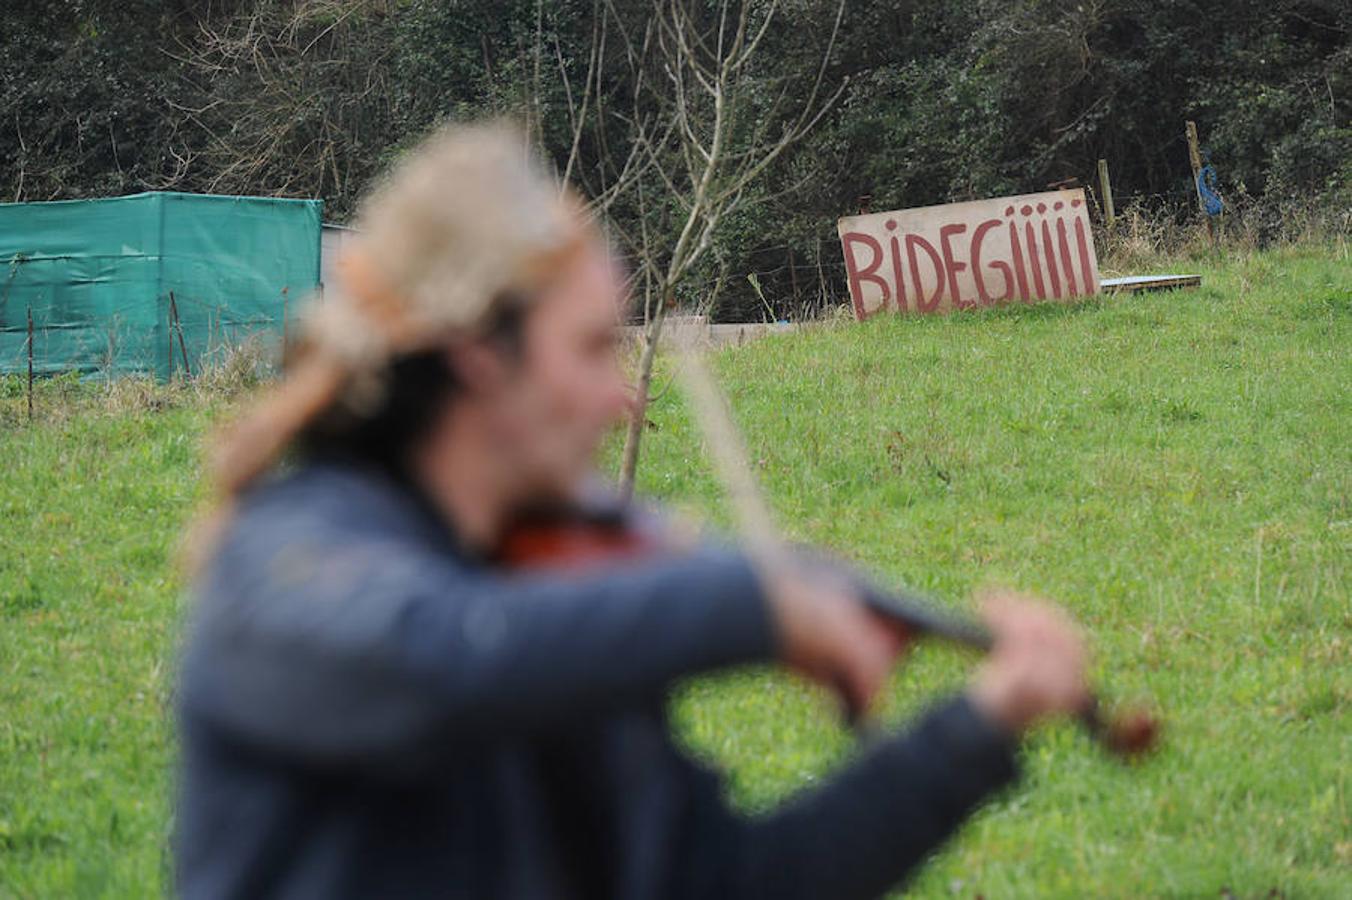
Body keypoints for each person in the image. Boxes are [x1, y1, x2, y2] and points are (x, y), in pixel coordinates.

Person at [176, 122, 1089, 899]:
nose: (623, 399)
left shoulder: (563, 604)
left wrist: (979, 725)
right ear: (478, 353)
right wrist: (754, 602)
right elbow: (435, 660)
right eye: (590, 348)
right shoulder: (283, 558)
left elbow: (728, 883)